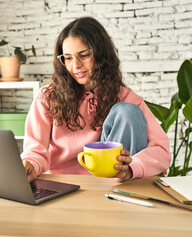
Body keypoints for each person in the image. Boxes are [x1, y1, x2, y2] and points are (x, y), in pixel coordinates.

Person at [21, 17, 171, 182]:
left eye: (83, 55)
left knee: (127, 111)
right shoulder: (48, 98)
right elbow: (35, 151)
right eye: (68, 58)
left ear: (100, 54)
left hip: (111, 183)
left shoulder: (125, 97)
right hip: (62, 183)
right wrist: (30, 164)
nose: (76, 65)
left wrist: (132, 168)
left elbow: (161, 150)